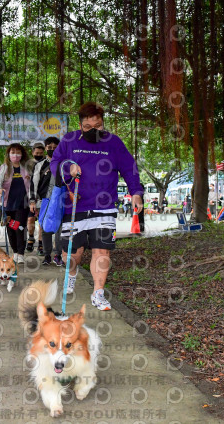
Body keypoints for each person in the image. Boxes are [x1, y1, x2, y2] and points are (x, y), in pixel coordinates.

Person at [50, 101, 143, 311]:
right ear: (80, 124)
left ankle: (98, 293)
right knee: (72, 253)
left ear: (103, 123)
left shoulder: (113, 142)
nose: (94, 131)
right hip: (74, 205)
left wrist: (136, 192)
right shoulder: (69, 140)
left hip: (105, 206)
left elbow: (129, 168)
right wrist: (68, 167)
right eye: (88, 128)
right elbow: (55, 163)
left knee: (102, 252)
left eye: (98, 127)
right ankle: (71, 274)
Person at [0, 143, 31, 264]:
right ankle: (14, 252)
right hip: (7, 205)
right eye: (13, 152)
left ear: (22, 154)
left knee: (20, 227)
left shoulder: (26, 168)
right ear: (9, 154)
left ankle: (21, 253)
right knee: (11, 228)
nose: (15, 155)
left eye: (18, 152)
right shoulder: (4, 168)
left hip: (22, 204)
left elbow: (32, 185)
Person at [29, 137, 64, 266]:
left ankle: (58, 255)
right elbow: (33, 184)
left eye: (55, 148)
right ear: (45, 149)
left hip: (61, 201)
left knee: (60, 228)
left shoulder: (64, 164)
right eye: (49, 148)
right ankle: (47, 255)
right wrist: (32, 202)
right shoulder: (40, 165)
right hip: (45, 201)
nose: (52, 150)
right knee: (45, 228)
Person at [26, 143, 46, 253]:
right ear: (33, 152)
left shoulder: (46, 163)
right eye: (37, 153)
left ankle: (41, 243)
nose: (39, 155)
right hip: (30, 195)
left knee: (42, 221)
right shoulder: (28, 164)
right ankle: (30, 237)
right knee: (30, 218)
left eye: (41, 153)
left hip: (43, 195)